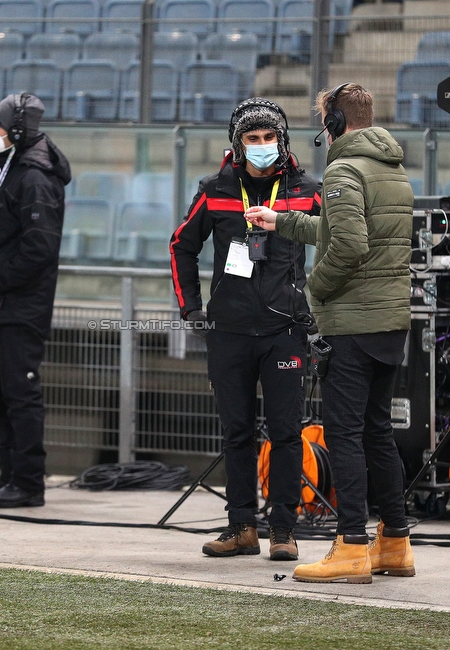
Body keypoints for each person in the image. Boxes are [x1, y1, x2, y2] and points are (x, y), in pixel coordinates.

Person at [246, 83, 416, 583]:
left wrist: (314, 293)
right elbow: (340, 227)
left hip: (353, 323)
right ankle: (395, 543)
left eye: (324, 121)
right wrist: (283, 222)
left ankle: (351, 546)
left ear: (336, 123)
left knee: (343, 433)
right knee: (377, 432)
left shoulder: (343, 169)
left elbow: (348, 246)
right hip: (387, 322)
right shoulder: (392, 168)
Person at [171, 98, 322, 561]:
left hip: (286, 332)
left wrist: (317, 307)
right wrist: (191, 310)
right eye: (252, 139)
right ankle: (241, 526)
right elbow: (182, 246)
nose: (261, 146)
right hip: (230, 332)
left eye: (269, 137)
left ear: (283, 140)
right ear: (238, 144)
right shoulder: (215, 188)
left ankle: (282, 530)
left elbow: (342, 245)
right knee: (236, 431)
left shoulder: (308, 190)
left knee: (285, 433)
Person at [0, 93, 71, 508]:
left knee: (19, 391)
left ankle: (28, 482)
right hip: (2, 302)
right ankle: (10, 471)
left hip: (20, 304)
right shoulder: (14, 167)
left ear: (14, 130)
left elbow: (39, 249)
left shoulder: (34, 176)